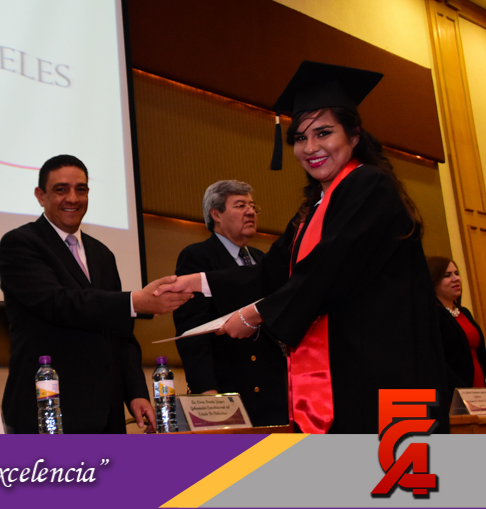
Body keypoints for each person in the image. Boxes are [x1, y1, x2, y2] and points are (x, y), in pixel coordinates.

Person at [155, 62, 447, 434]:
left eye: (323, 133)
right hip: (345, 371)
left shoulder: (369, 186)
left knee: (391, 467)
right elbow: (272, 271)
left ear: (354, 136)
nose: (310, 148)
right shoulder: (315, 208)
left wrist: (254, 315)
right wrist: (199, 282)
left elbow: (329, 269)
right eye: (300, 138)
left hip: (385, 368)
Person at [0, 154, 192, 434]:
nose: (73, 198)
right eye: (61, 189)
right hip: (49, 408)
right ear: (40, 196)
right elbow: (58, 302)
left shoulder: (102, 254)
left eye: (81, 189)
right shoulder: (20, 243)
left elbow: (120, 333)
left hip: (107, 413)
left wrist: (135, 393)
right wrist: (134, 301)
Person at [173, 180, 288, 427]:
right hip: (229, 392)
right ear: (216, 214)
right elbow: (193, 331)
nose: (250, 212)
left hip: (275, 391)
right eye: (240, 205)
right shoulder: (198, 257)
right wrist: (207, 393)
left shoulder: (262, 259)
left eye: (253, 206)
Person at [427, 256, 486, 403]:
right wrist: (462, 390)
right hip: (455, 393)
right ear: (433, 281)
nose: (456, 279)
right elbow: (437, 360)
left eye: (457, 273)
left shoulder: (464, 313)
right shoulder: (432, 316)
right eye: (447, 275)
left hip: (479, 388)